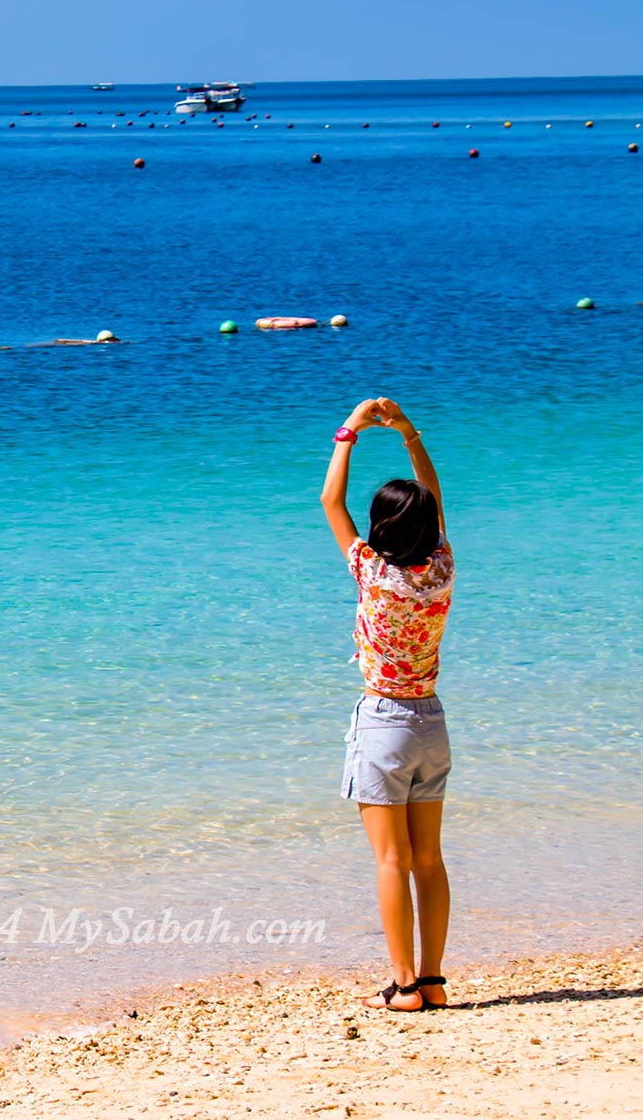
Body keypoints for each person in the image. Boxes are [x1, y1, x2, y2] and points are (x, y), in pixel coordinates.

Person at [320, 397, 454, 1012]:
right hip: (431, 722)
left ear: (381, 531)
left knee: (390, 859)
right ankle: (432, 981)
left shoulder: (372, 571)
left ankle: (403, 987)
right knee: (428, 858)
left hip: (384, 723)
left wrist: (349, 431)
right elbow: (432, 496)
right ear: (428, 530)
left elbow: (330, 502)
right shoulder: (442, 569)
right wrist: (408, 432)